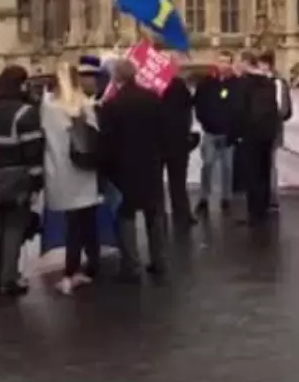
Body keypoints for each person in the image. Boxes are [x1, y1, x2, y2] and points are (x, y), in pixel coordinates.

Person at [0, 65, 45, 298]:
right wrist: (36, 182)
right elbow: (32, 151)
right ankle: (8, 279)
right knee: (14, 229)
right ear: (21, 85)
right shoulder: (25, 113)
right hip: (16, 177)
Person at [97, 59, 167, 281]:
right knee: (154, 214)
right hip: (151, 165)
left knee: (125, 216)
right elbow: (162, 131)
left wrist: (105, 168)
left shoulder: (112, 105)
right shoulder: (153, 99)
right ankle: (159, 260)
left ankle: (131, 263)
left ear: (117, 78)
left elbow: (107, 141)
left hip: (124, 168)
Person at [42, 61, 103, 295]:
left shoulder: (49, 106)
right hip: (85, 171)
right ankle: (92, 265)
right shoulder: (85, 105)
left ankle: (70, 271)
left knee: (73, 225)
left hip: (62, 171)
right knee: (88, 220)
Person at [230, 50, 281, 226]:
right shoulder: (269, 82)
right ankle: (263, 209)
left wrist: (235, 135)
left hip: (250, 134)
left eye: (237, 61)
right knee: (264, 172)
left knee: (252, 174)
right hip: (266, 134)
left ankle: (254, 213)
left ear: (245, 62)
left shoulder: (243, 84)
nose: (235, 65)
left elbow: (238, 111)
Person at [194, 51, 238, 215]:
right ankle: (204, 197)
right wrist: (205, 122)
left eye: (226, 62)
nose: (223, 65)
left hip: (228, 133)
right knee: (207, 165)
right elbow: (198, 104)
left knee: (227, 167)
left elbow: (238, 108)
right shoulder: (206, 83)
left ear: (231, 64)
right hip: (210, 132)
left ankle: (226, 198)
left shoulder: (236, 84)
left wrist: (232, 129)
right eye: (220, 61)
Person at [161, 61, 198, 229]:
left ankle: (160, 215)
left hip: (159, 141)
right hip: (178, 140)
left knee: (157, 182)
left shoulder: (153, 88)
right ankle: (182, 214)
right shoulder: (180, 87)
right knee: (178, 182)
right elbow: (189, 109)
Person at [259, 50, 293, 212]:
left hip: (272, 128)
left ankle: (272, 199)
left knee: (270, 164)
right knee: (262, 164)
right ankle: (262, 197)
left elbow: (282, 109)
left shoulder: (277, 82)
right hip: (260, 129)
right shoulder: (259, 82)